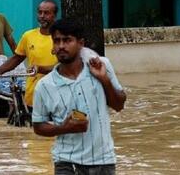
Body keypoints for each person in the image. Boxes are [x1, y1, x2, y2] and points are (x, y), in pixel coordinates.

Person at [32, 18, 127, 175]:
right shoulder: (44, 86)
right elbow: (38, 126)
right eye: (57, 41)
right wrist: (64, 128)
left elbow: (119, 105)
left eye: (67, 40)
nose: (61, 46)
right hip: (66, 162)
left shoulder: (101, 66)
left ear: (80, 43)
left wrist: (104, 79)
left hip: (104, 161)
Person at [0, 0, 59, 109]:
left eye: (46, 13)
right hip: (33, 95)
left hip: (56, 96)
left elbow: (64, 68)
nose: (42, 16)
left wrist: (40, 69)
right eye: (40, 12)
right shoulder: (28, 36)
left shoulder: (61, 39)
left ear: (54, 15)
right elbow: (17, 58)